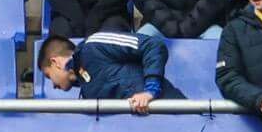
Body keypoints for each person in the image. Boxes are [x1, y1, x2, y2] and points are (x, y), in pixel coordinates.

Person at [38, 28, 174, 107]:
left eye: (48, 76)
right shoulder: (86, 90)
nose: (54, 85)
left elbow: (153, 45)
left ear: (55, 62)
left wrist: (150, 91)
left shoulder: (94, 45)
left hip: (170, 114)